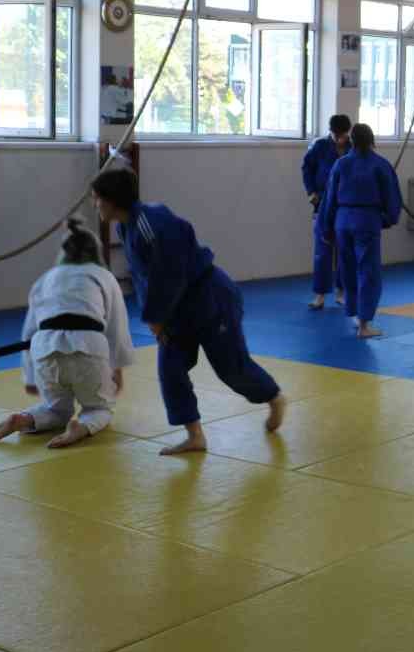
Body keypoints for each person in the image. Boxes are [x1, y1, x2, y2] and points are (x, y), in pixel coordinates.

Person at [90, 168, 286, 455]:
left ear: (111, 200)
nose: (95, 204)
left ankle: (274, 396)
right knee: (170, 368)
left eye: (97, 198)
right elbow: (144, 280)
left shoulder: (151, 223)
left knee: (231, 369)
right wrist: (155, 319)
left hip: (210, 298)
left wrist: (156, 318)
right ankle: (195, 436)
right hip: (177, 308)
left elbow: (169, 275)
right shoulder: (125, 227)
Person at [0, 219, 135, 449]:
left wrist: (30, 377)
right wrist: (117, 369)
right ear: (96, 253)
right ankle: (80, 427)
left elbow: (29, 333)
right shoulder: (103, 275)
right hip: (87, 347)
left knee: (55, 410)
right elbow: (116, 327)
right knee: (99, 408)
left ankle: (23, 419)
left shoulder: (45, 279)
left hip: (44, 349)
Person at [320, 123, 403, 339]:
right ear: (372, 140)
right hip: (366, 220)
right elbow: (392, 198)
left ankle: (355, 314)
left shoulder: (341, 164)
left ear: (352, 141)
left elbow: (329, 199)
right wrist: (388, 219)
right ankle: (364, 324)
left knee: (347, 269)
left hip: (342, 220)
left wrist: (326, 228)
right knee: (368, 271)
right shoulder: (380, 165)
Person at [302, 114, 352, 310]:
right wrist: (311, 192)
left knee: (344, 249)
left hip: (345, 204)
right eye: (336, 135)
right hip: (322, 202)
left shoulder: (354, 148)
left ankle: (341, 292)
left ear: (348, 133)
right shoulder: (320, 146)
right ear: (331, 132)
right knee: (322, 251)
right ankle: (320, 295)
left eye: (343, 135)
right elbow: (306, 168)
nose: (339, 139)